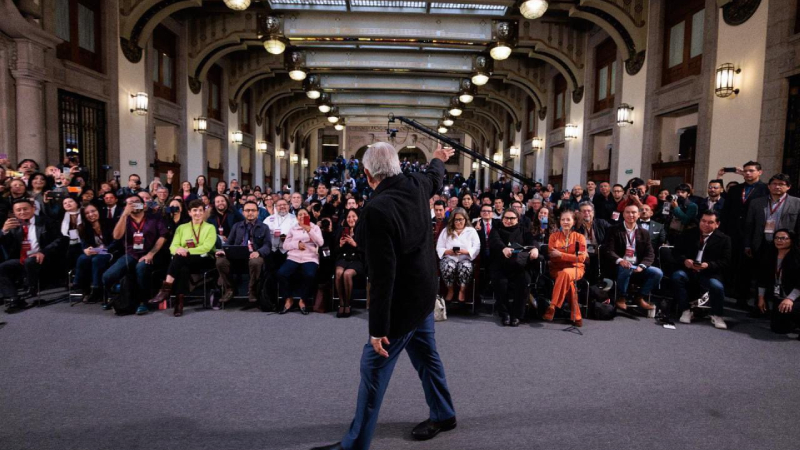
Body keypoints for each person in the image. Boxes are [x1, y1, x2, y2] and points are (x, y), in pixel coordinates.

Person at [312, 143, 456, 450]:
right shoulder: (416, 184)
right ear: (399, 166)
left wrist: (377, 329)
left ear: (366, 174)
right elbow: (435, 175)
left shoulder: (377, 211)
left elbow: (381, 277)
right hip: (424, 294)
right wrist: (439, 158)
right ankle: (444, 414)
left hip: (402, 305)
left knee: (373, 369)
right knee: (427, 358)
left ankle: (354, 445)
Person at [149, 199, 217, 317]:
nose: (198, 213)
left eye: (200, 210)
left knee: (179, 258)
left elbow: (206, 247)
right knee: (182, 267)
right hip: (184, 260)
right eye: (195, 211)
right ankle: (179, 303)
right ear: (189, 212)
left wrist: (186, 250)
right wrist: (178, 250)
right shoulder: (182, 228)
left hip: (204, 259)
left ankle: (166, 289)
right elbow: (173, 246)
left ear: (204, 212)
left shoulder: (210, 227)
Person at [103, 195, 167, 315]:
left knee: (141, 268)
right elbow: (116, 236)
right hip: (131, 254)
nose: (133, 205)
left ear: (143, 205)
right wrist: (124, 215)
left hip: (150, 253)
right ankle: (115, 298)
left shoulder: (154, 218)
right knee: (108, 276)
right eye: (130, 203)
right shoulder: (124, 219)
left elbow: (162, 236)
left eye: (136, 202)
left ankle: (144, 302)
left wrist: (151, 254)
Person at [719, 161, 769, 310]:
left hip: (753, 233)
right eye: (746, 171)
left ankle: (747, 299)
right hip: (732, 232)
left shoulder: (765, 190)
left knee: (748, 268)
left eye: (751, 171)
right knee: (730, 264)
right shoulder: (735, 189)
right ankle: (726, 296)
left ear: (760, 172)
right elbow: (726, 212)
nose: (748, 173)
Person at [671, 210, 732, 330]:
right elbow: (676, 252)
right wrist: (685, 261)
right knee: (677, 276)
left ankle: (717, 315)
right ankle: (685, 310)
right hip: (689, 270)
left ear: (717, 224)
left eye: (710, 222)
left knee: (717, 286)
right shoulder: (689, 233)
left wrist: (708, 265)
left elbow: (726, 262)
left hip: (709, 273)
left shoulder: (724, 239)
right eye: (703, 221)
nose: (705, 224)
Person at [0, 199, 61, 312]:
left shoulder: (46, 222)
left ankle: (31, 288)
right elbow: (7, 244)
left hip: (43, 258)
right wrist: (4, 231)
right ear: (14, 212)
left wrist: (43, 252)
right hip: (22, 259)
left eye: (25, 209)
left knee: (30, 261)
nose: (22, 212)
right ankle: (13, 298)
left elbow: (59, 240)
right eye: (18, 210)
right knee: (2, 267)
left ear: (33, 208)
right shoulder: (13, 225)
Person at [603, 204, 662, 311]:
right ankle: (621, 297)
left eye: (634, 212)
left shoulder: (644, 233)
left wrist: (642, 265)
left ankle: (640, 297)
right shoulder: (614, 230)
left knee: (657, 273)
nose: (631, 215)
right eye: (628, 212)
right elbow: (608, 250)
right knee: (626, 268)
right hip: (618, 266)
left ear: (639, 215)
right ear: (623, 215)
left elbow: (650, 253)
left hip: (637, 265)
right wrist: (620, 260)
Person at [215, 201, 271, 303]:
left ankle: (252, 290)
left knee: (256, 261)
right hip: (236, 257)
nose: (250, 213)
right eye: (247, 210)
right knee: (220, 261)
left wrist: (259, 252)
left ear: (258, 212)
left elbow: (267, 245)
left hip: (254, 256)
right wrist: (223, 251)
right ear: (243, 212)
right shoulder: (237, 226)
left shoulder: (264, 227)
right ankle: (230, 289)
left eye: (253, 210)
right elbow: (229, 242)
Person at [490, 208, 537, 327]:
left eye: (512, 218)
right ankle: (504, 314)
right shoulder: (496, 229)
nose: (509, 220)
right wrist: (503, 248)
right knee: (501, 283)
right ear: (502, 218)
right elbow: (495, 241)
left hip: (519, 266)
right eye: (506, 218)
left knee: (524, 282)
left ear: (517, 219)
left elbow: (532, 241)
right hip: (501, 266)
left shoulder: (524, 230)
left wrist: (535, 249)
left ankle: (517, 315)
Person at [542, 209, 588, 326]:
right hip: (557, 269)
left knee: (567, 273)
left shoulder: (580, 237)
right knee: (569, 282)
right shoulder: (553, 237)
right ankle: (576, 316)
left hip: (576, 269)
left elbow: (581, 259)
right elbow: (553, 257)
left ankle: (553, 305)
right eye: (563, 219)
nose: (565, 222)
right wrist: (572, 256)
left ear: (574, 221)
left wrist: (561, 254)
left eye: (568, 219)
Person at [277, 208, 324, 315]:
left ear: (309, 216)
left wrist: (309, 230)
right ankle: (288, 299)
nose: (302, 216)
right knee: (281, 273)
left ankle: (303, 300)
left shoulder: (315, 227)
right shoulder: (293, 229)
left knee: (310, 275)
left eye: (305, 214)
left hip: (310, 257)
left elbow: (320, 243)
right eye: (300, 215)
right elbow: (285, 245)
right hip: (294, 257)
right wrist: (296, 245)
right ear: (297, 217)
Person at [745, 174, 800, 259]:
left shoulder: (797, 203)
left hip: (786, 246)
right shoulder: (756, 203)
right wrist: (747, 245)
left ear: (788, 187)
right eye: (774, 184)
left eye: (781, 184)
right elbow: (749, 225)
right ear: (769, 186)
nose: (777, 186)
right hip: (761, 244)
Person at [72, 204, 119, 303]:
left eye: (93, 211)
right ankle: (80, 286)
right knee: (83, 258)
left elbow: (116, 242)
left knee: (96, 259)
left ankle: (96, 289)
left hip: (110, 251)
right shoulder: (83, 227)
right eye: (87, 213)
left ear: (98, 211)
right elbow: (84, 245)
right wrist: (86, 250)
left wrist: (99, 251)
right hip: (95, 252)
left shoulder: (111, 223)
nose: (91, 214)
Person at [757, 229, 800, 334]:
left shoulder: (797, 257)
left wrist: (790, 299)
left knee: (792, 309)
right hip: (779, 295)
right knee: (778, 329)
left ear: (791, 240)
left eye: (783, 238)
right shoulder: (770, 255)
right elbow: (762, 278)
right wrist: (761, 298)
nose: (778, 241)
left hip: (795, 296)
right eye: (776, 238)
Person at [436, 207, 480, 304]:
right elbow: (439, 247)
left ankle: (462, 291)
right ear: (452, 220)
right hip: (449, 258)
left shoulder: (471, 231)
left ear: (465, 219)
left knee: (465, 266)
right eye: (456, 220)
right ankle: (450, 290)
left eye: (461, 219)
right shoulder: (446, 230)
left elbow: (477, 247)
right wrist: (448, 251)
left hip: (465, 258)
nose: (458, 222)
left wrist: (466, 251)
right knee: (449, 266)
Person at [334, 209, 364, 318]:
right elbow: (334, 251)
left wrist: (354, 244)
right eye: (348, 217)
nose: (351, 219)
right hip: (343, 258)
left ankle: (348, 304)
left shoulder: (363, 231)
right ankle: (341, 303)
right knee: (338, 273)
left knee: (347, 274)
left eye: (353, 216)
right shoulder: (341, 231)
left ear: (358, 218)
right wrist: (341, 245)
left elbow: (367, 250)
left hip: (357, 260)